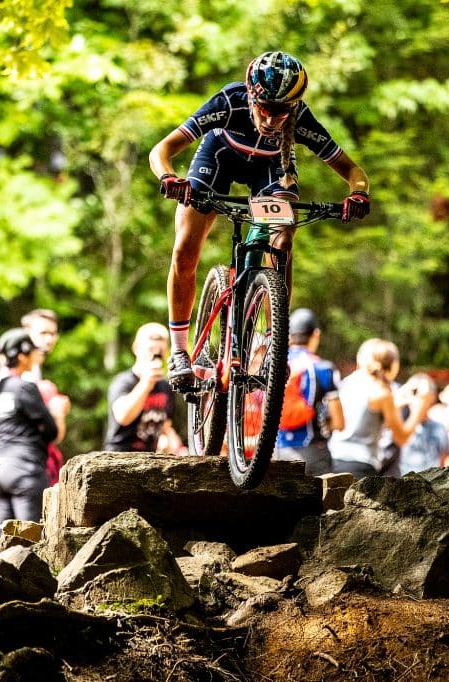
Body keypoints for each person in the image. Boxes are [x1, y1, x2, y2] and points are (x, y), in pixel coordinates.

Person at [149, 51, 370, 388]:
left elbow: (353, 170)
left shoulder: (300, 119)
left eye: (281, 112)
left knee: (283, 237)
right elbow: (161, 150)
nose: (270, 119)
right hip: (219, 158)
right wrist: (169, 177)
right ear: (251, 96)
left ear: (293, 107)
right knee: (185, 249)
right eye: (264, 108)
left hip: (271, 168)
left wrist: (358, 193)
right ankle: (180, 351)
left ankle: (273, 341)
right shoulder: (229, 101)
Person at [0, 328, 64, 527]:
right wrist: (58, 413)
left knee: (5, 542)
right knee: (31, 539)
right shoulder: (24, 387)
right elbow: (52, 431)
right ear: (22, 356)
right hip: (25, 469)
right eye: (31, 353)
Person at [328, 339, 435, 478]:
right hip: (361, 465)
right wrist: (419, 410)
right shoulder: (382, 393)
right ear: (392, 366)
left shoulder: (348, 382)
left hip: (333, 458)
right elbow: (401, 437)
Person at [274, 308, 342, 476]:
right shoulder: (323, 368)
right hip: (312, 452)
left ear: (289, 336)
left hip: (276, 451)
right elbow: (339, 422)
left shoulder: (273, 365)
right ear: (316, 334)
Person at [103, 323, 182, 453]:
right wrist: (146, 384)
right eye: (151, 339)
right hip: (118, 455)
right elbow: (123, 416)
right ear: (136, 348)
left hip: (148, 458)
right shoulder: (123, 381)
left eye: (162, 339)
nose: (157, 341)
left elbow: (166, 426)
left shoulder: (166, 387)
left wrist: (175, 446)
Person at [21, 308, 71, 483]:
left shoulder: (36, 367)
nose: (49, 339)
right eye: (43, 333)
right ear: (26, 332)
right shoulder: (17, 366)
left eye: (53, 333)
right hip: (21, 462)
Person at [396, 373, 449, 476]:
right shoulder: (398, 425)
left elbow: (445, 460)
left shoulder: (439, 428)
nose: (417, 398)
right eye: (414, 392)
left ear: (432, 397)